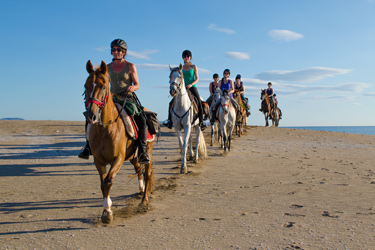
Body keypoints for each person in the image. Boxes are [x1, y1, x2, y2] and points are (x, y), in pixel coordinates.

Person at [78, 38, 150, 164]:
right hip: (111, 97)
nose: (115, 52)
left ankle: (142, 150)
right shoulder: (106, 67)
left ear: (124, 52)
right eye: (113, 50)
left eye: (118, 50)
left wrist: (133, 87)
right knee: (89, 115)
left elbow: (138, 84)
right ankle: (88, 146)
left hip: (127, 97)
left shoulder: (130, 66)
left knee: (141, 118)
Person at [165, 50, 206, 130]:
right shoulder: (181, 68)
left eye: (187, 56)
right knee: (171, 103)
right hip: (182, 88)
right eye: (184, 57)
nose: (186, 58)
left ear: (190, 57)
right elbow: (178, 78)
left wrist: (191, 84)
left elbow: (197, 78)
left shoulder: (193, 67)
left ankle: (201, 122)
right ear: (183, 58)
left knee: (199, 102)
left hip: (192, 87)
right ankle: (170, 121)